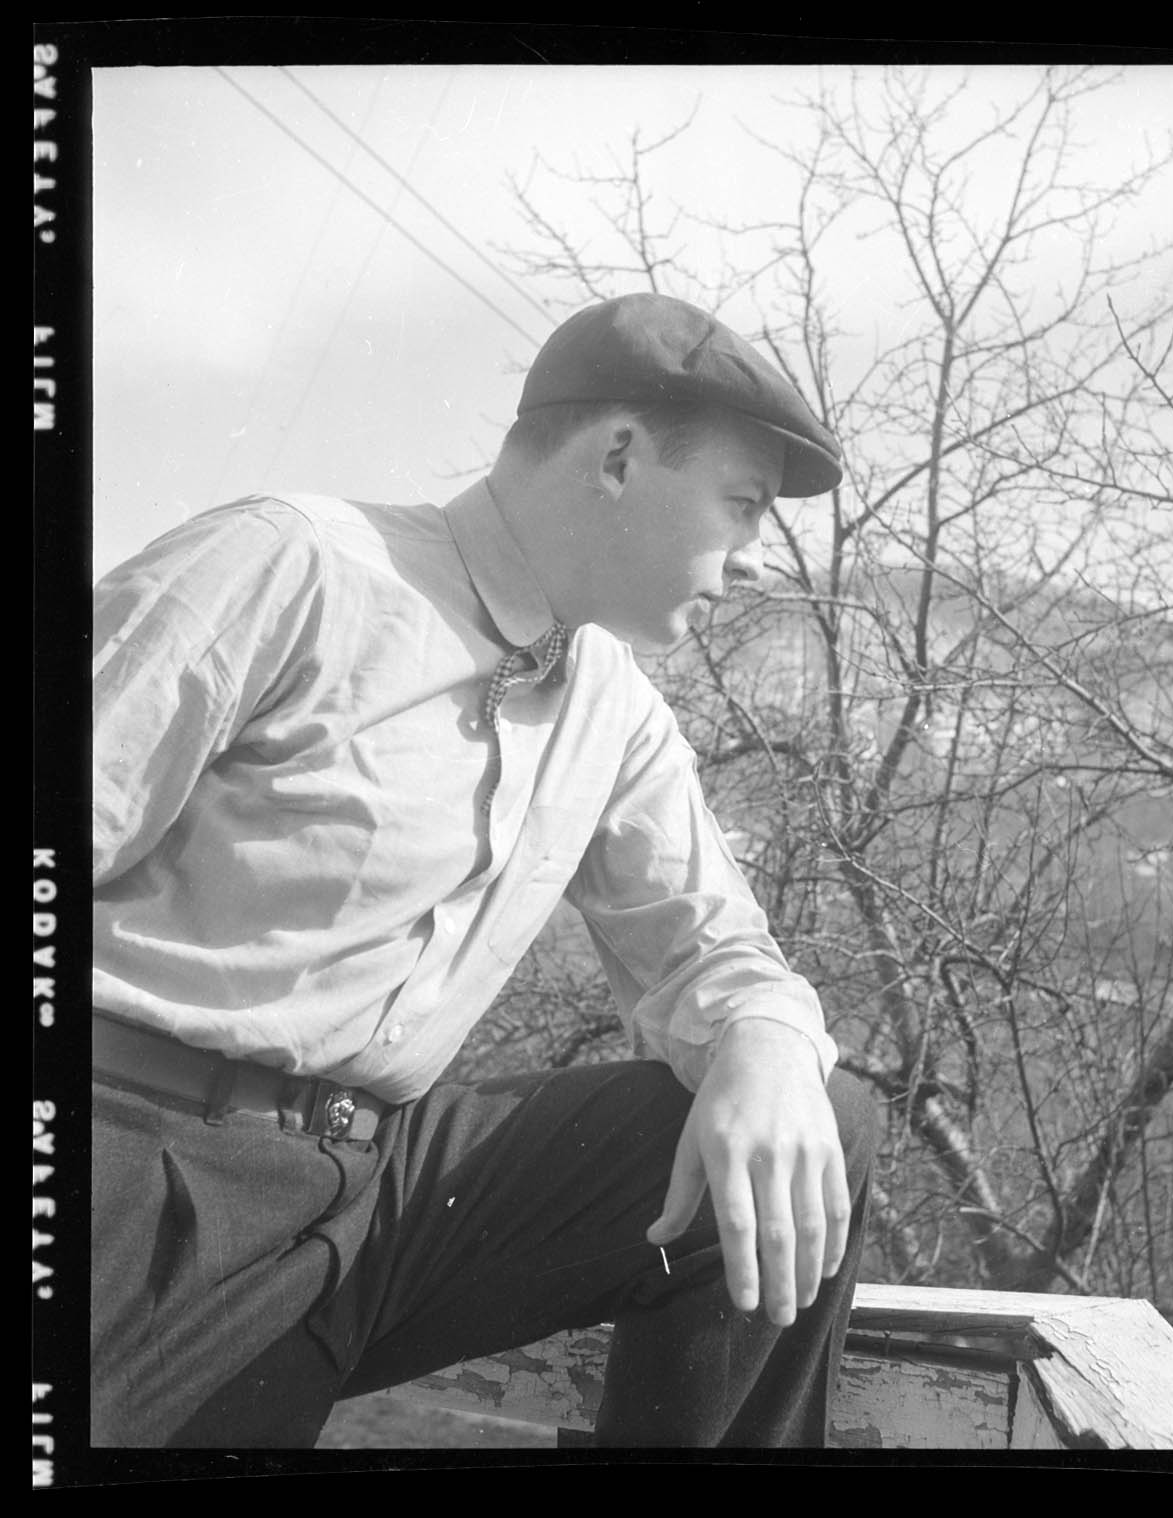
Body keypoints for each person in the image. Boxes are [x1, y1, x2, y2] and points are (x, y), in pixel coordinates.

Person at [90, 292, 878, 1448]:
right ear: (617, 457)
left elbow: (712, 946)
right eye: (742, 504)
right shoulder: (290, 567)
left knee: (817, 1118)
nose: (755, 560)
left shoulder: (614, 708)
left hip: (371, 1195)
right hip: (129, 1162)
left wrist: (762, 1038)